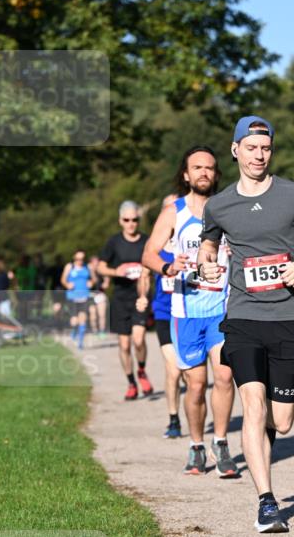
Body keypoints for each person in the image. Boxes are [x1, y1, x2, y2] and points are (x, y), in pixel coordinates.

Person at [197, 116, 294, 532]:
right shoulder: (219, 204)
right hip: (243, 317)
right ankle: (267, 502)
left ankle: (264, 444)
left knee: (282, 420)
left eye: (266, 148)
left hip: (288, 317)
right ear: (236, 150)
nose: (259, 155)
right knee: (252, 406)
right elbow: (209, 242)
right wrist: (206, 264)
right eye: (251, 148)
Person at [142, 150, 237, 475]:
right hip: (186, 311)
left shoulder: (228, 207)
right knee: (196, 385)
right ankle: (197, 444)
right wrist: (168, 266)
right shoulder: (174, 212)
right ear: (186, 174)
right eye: (197, 168)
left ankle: (221, 443)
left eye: (210, 168)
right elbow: (148, 255)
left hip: (222, 309)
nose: (204, 173)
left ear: (216, 173)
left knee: (225, 376)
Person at [98, 201, 153, 401]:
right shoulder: (114, 242)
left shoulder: (147, 241)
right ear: (121, 221)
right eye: (127, 220)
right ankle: (131, 383)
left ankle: (141, 370)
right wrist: (115, 271)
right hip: (120, 298)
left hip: (140, 298)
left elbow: (150, 271)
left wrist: (144, 296)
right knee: (123, 345)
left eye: (135, 220)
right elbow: (100, 267)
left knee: (138, 340)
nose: (131, 224)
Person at [141, 194, 185, 440]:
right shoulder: (156, 245)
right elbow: (144, 274)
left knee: (191, 372)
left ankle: (192, 414)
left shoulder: (191, 240)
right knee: (173, 367)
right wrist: (142, 296)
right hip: (164, 313)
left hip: (188, 311)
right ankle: (173, 418)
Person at [60, 251, 96, 349]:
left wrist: (91, 282)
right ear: (74, 258)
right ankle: (74, 330)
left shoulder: (88, 267)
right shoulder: (69, 266)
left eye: (82, 259)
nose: (80, 261)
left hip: (84, 296)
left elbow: (94, 279)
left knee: (83, 319)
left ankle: (80, 342)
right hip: (72, 296)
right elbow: (63, 279)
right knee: (74, 321)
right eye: (78, 259)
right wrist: (67, 285)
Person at [87, 255, 109, 338]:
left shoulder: (101, 271)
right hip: (91, 295)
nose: (96, 263)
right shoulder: (87, 272)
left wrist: (106, 281)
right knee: (93, 315)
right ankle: (94, 330)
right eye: (94, 262)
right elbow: (93, 281)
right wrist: (91, 271)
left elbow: (106, 279)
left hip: (100, 294)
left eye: (97, 262)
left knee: (102, 314)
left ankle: (102, 331)